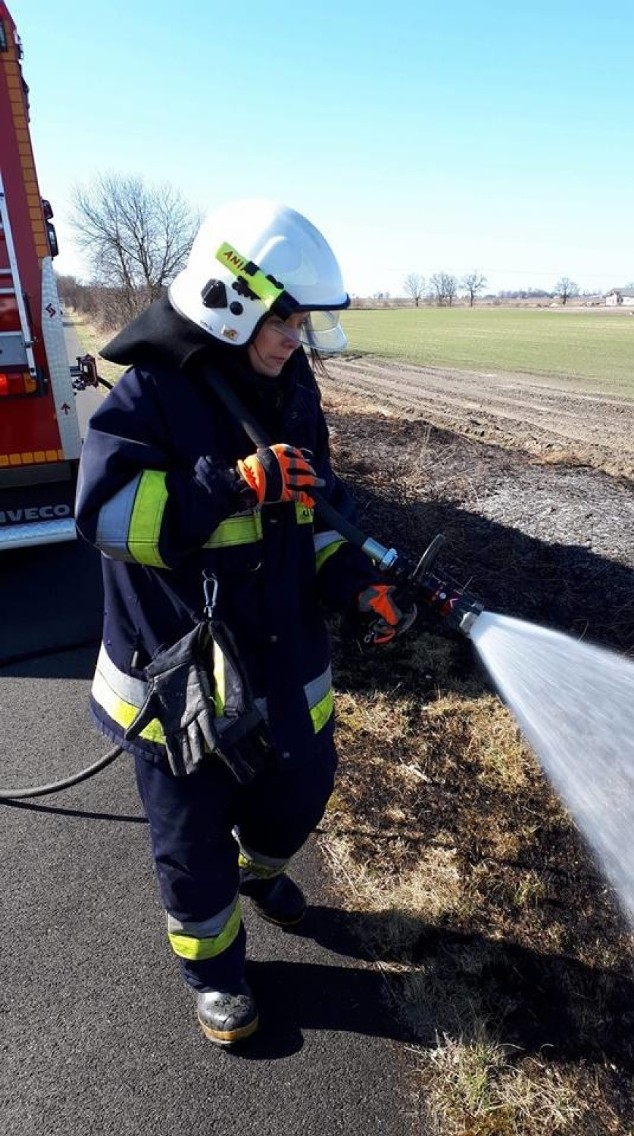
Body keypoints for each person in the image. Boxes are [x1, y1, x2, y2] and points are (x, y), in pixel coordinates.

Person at [75, 200, 415, 1046]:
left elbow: (319, 508)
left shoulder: (292, 391)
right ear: (232, 299)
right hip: (179, 675)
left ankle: (260, 871)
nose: (296, 337)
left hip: (282, 657)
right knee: (191, 847)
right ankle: (217, 972)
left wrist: (357, 586)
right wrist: (229, 486)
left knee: (301, 791)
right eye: (286, 318)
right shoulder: (150, 391)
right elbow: (110, 516)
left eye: (305, 322)